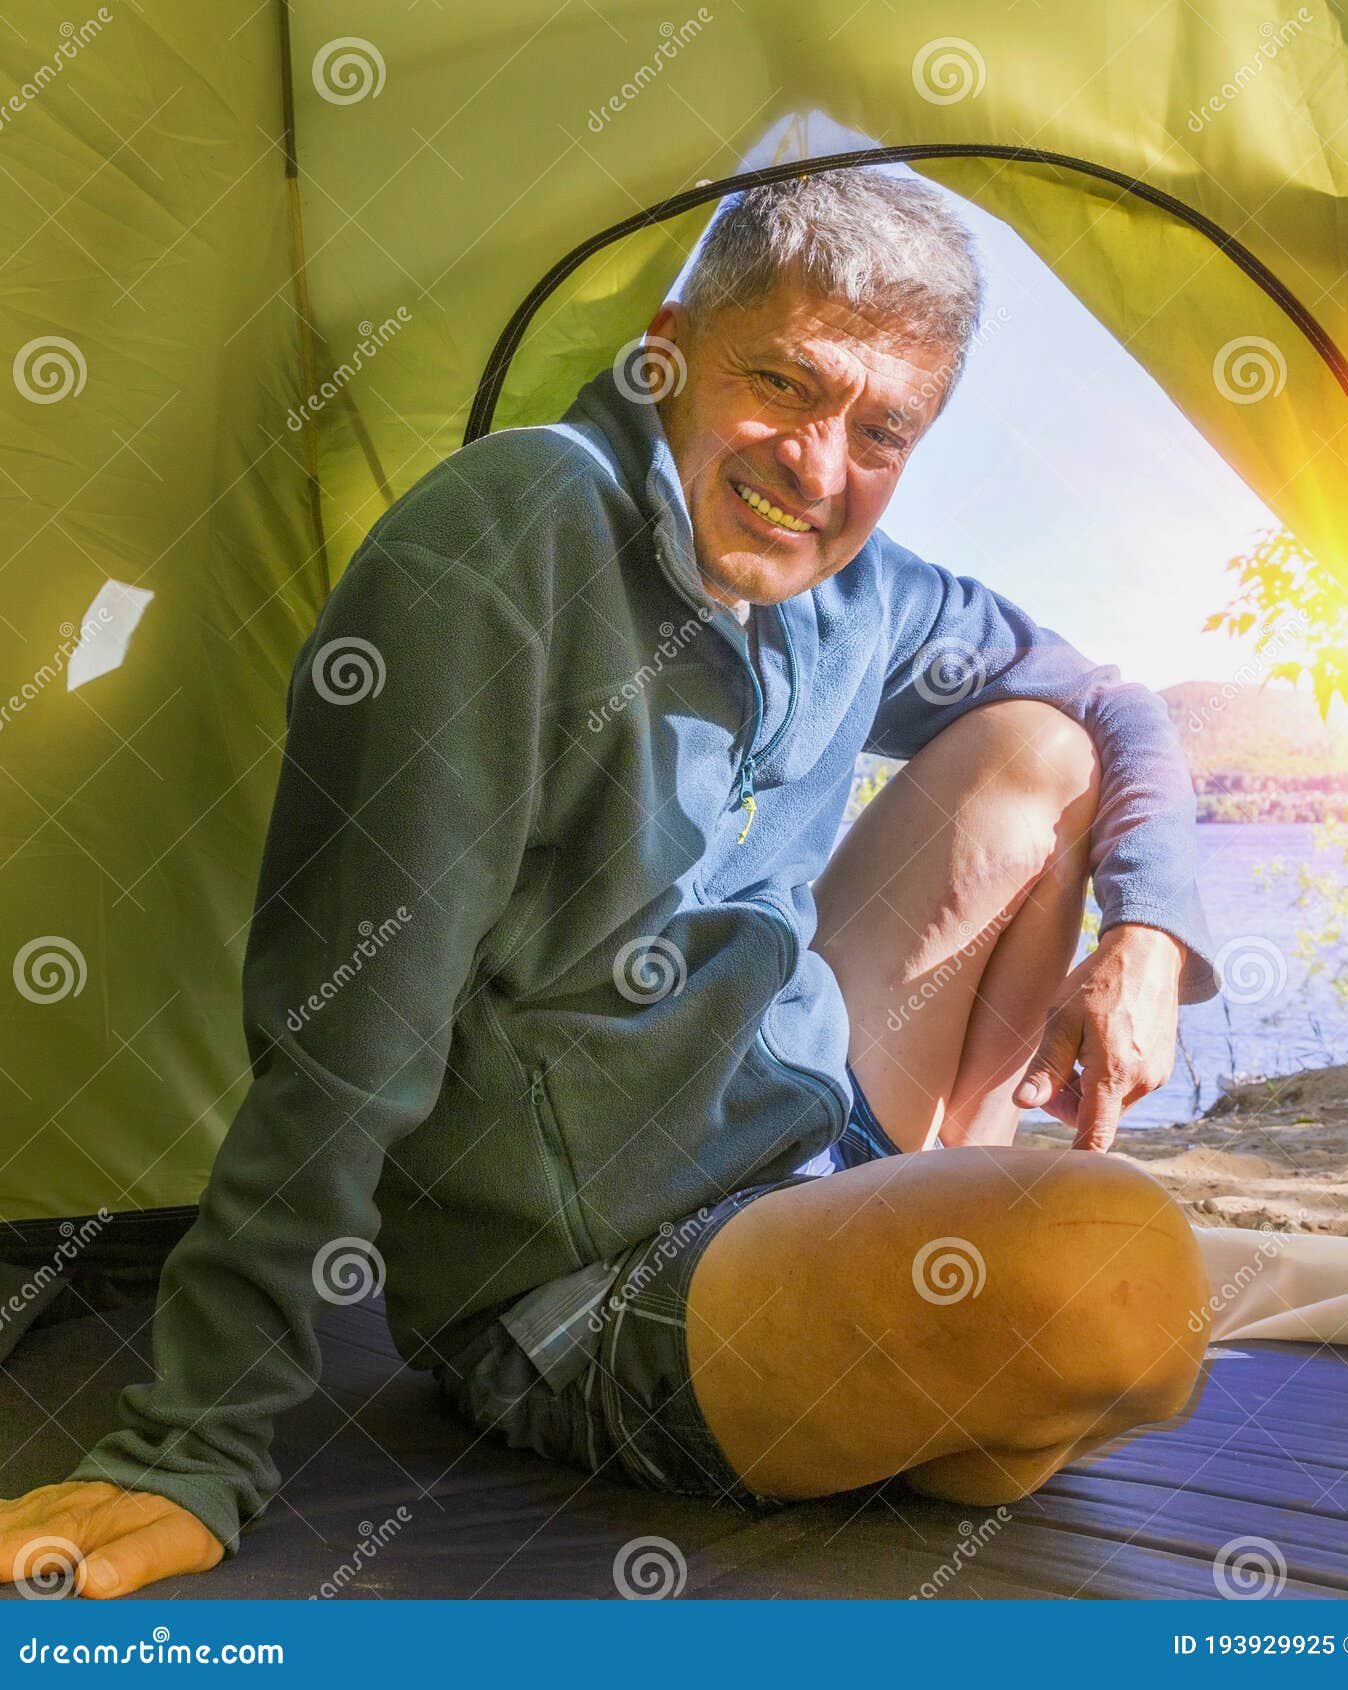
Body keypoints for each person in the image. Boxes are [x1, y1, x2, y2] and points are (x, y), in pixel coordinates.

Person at [0, 168, 1218, 1598]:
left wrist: (1147, 926)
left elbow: (1119, 701)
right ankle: (937, 1339)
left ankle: (925, 1284)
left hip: (816, 1144)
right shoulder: (512, 535)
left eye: (881, 431)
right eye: (786, 384)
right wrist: (193, 1441)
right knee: (1113, 1286)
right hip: (592, 1273)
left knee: (1041, 745)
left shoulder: (866, 591)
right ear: (670, 346)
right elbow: (350, 1024)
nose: (822, 470)